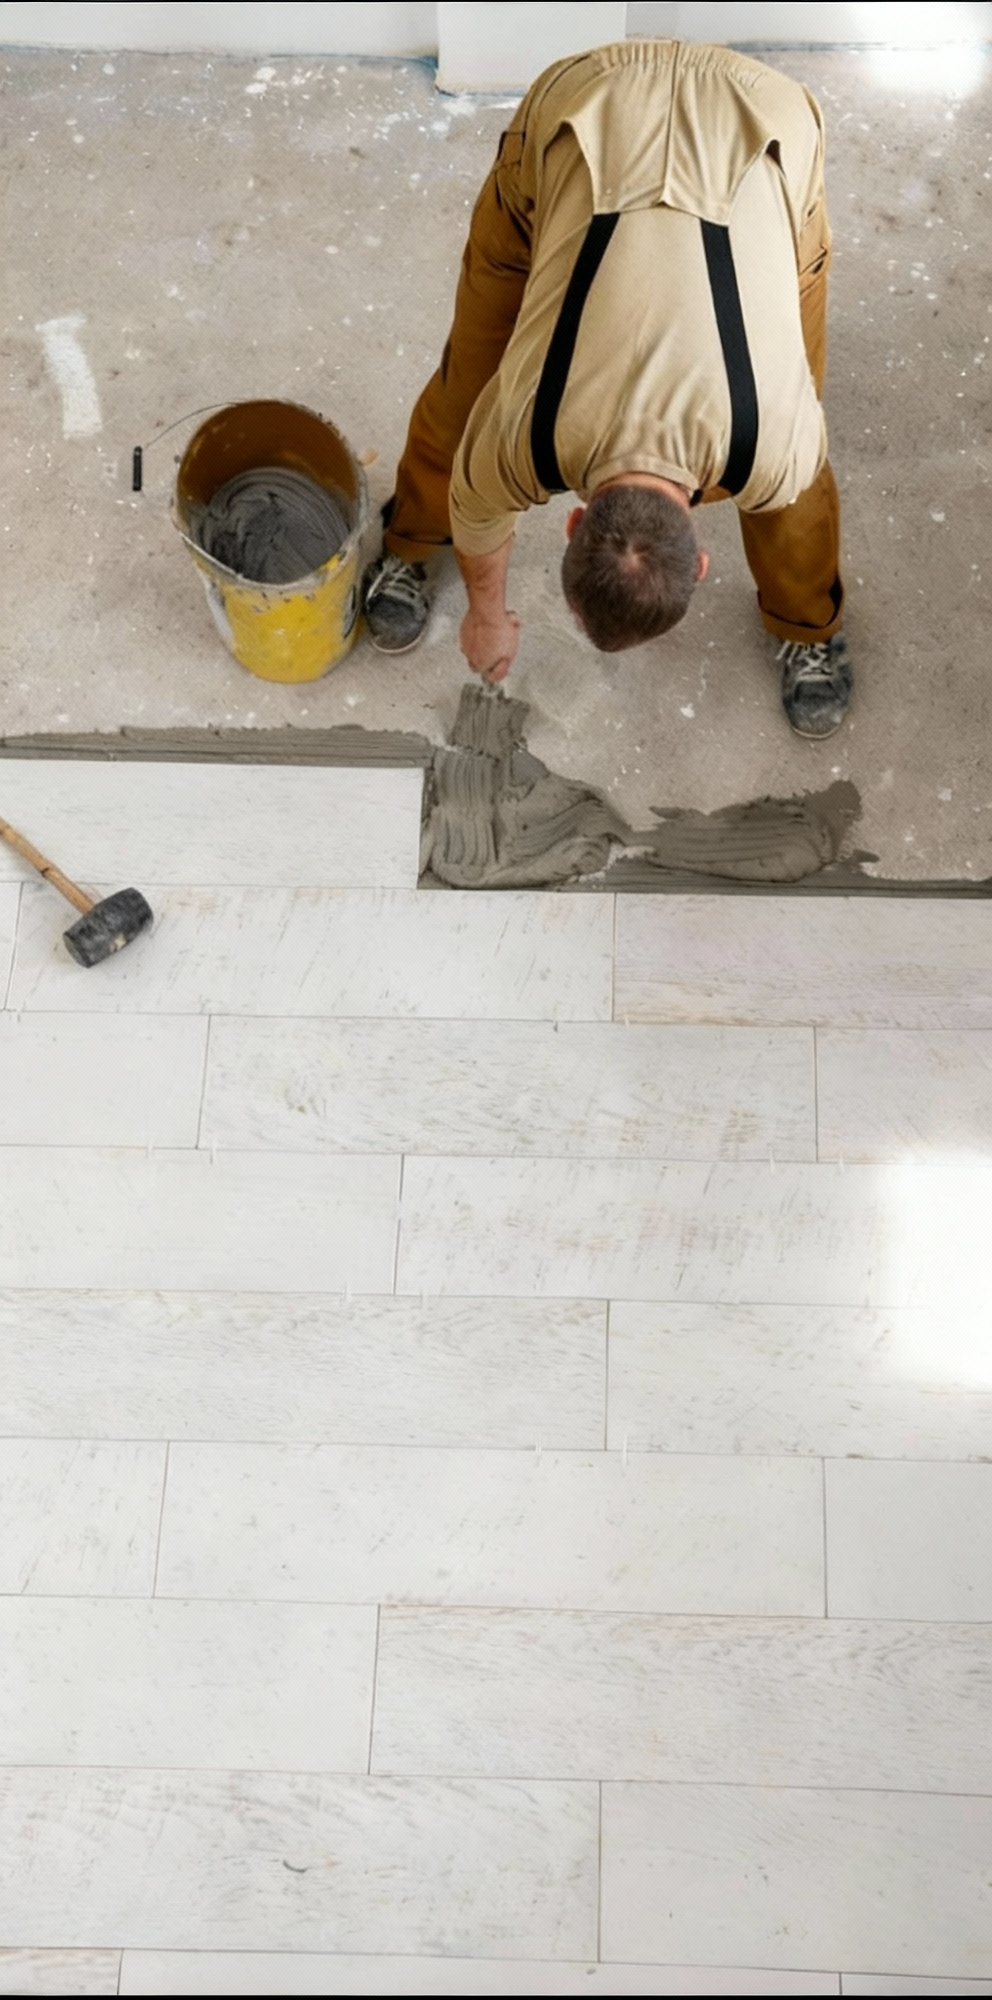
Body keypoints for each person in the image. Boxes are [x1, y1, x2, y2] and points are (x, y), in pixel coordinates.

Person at [363, 37, 851, 739]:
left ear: (571, 522)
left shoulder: (778, 441)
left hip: (761, 133)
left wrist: (485, 615)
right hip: (586, 115)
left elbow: (484, 515)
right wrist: (487, 616)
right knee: (470, 386)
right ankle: (410, 545)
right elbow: (477, 508)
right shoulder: (521, 433)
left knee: (788, 485)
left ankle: (809, 626)